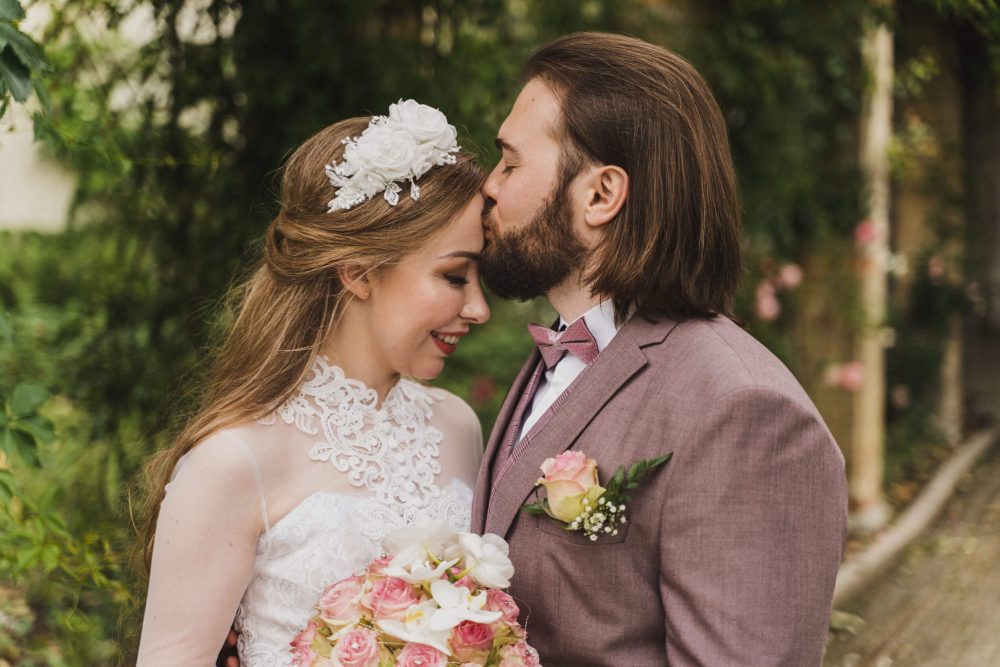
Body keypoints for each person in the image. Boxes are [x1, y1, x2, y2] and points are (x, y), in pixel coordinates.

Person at [470, 32, 848, 666]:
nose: (488, 186)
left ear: (599, 195)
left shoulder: (744, 411)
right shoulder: (558, 360)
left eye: (510, 162)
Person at [136, 101, 491, 666]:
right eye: (453, 276)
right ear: (358, 271)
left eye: (479, 278)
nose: (478, 308)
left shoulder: (458, 427)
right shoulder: (233, 461)